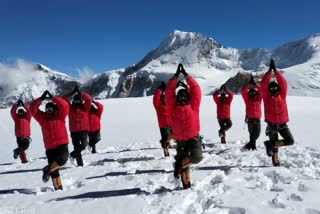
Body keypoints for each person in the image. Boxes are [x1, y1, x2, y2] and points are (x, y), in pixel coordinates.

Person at [165, 63, 202, 189]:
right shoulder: (172, 106)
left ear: (188, 95)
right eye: (180, 95)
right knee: (184, 164)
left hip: (194, 137)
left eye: (184, 94)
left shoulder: (193, 105)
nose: (182, 97)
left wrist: (186, 76)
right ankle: (186, 185)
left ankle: (179, 165)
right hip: (180, 140)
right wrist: (175, 77)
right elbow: (169, 92)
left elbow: (196, 89)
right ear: (176, 97)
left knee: (196, 157)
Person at [30, 90, 69, 190]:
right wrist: (41, 99)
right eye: (47, 109)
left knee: (63, 160)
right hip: (50, 147)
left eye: (51, 109)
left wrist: (53, 98)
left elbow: (64, 105)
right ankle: (58, 188)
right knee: (54, 172)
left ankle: (47, 169)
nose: (49, 111)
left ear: (55, 109)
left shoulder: (60, 115)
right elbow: (32, 109)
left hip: (62, 144)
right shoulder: (42, 118)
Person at [261, 59, 294, 166]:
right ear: (269, 89)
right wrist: (269, 72)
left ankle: (268, 144)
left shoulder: (282, 95)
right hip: (272, 125)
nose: (274, 88)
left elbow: (283, 83)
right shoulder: (266, 97)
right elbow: (263, 85)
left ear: (278, 88)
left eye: (275, 87)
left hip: (283, 124)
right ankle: (275, 161)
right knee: (275, 147)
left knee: (290, 141)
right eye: (272, 87)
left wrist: (276, 71)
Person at [63, 86, 92, 166]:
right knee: (77, 148)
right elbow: (64, 99)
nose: (76, 102)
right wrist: (71, 93)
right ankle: (80, 165)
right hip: (74, 131)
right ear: (72, 101)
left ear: (80, 101)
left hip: (84, 130)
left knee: (84, 145)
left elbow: (89, 98)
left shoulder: (85, 108)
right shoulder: (70, 108)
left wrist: (80, 93)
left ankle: (72, 155)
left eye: (78, 101)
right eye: (75, 101)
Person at [241, 75, 262, 150]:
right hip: (250, 119)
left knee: (257, 134)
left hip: (257, 119)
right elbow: (243, 91)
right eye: (251, 92)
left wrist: (255, 84)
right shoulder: (247, 100)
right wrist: (248, 84)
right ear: (249, 93)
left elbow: (261, 90)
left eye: (254, 92)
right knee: (252, 134)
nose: (252, 93)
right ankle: (253, 147)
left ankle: (248, 146)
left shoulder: (259, 99)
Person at [153, 81, 172, 157]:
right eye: (162, 99)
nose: (164, 100)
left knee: (172, 135)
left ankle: (167, 144)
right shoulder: (158, 106)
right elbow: (155, 98)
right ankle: (166, 150)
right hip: (163, 125)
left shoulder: (169, 105)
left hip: (171, 123)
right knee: (165, 139)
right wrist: (159, 90)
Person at [10, 99, 32, 163]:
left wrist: (23, 105)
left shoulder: (27, 118)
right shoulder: (16, 118)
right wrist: (16, 105)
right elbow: (12, 112)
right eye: (19, 112)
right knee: (22, 148)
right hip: (19, 136)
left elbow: (29, 111)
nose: (20, 113)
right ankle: (23, 159)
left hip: (25, 135)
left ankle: (17, 152)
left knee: (24, 146)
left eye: (22, 112)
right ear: (18, 113)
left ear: (24, 112)